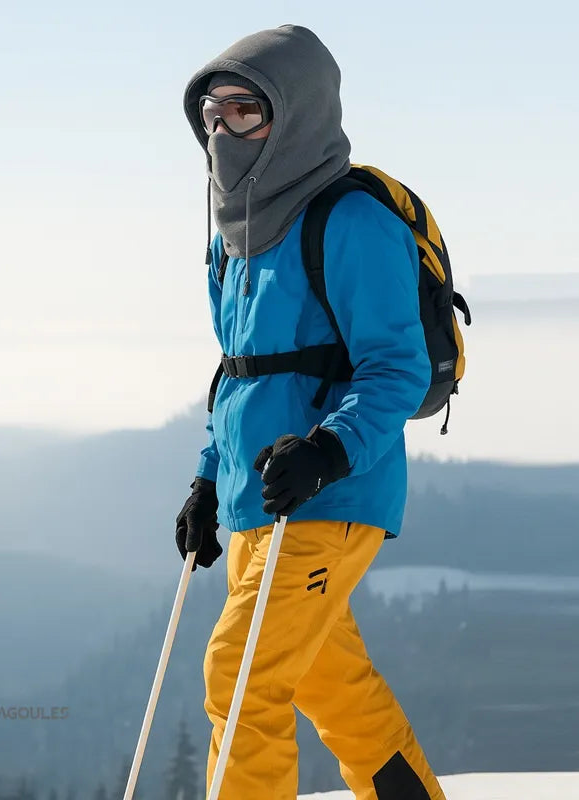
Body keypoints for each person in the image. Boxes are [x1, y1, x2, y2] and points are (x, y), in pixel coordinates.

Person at [176, 24, 447, 800]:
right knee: (333, 688)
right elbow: (238, 375)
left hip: (331, 495)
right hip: (258, 502)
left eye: (244, 112)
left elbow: (393, 368)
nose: (223, 131)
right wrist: (205, 483)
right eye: (212, 117)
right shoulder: (236, 236)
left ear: (295, 113)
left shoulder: (352, 222)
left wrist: (328, 451)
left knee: (241, 676)